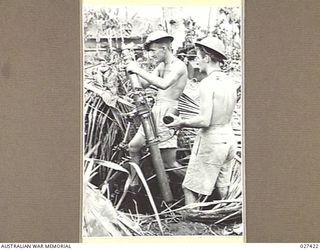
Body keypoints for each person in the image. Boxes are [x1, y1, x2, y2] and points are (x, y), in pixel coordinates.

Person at [166, 36, 237, 205]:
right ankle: (225, 219)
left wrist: (180, 122)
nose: (196, 61)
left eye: (197, 57)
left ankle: (193, 224)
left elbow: (205, 121)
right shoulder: (230, 82)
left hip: (211, 140)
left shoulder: (207, 84)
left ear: (206, 57)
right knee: (223, 186)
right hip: (229, 138)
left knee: (190, 187)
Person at [126, 30, 188, 188]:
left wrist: (138, 70)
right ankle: (134, 182)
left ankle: (192, 184)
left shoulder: (178, 66)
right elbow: (143, 84)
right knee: (133, 146)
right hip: (155, 111)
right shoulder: (162, 66)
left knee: (169, 163)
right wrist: (131, 69)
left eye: (153, 51)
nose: (151, 55)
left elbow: (164, 84)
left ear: (164, 48)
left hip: (168, 112)